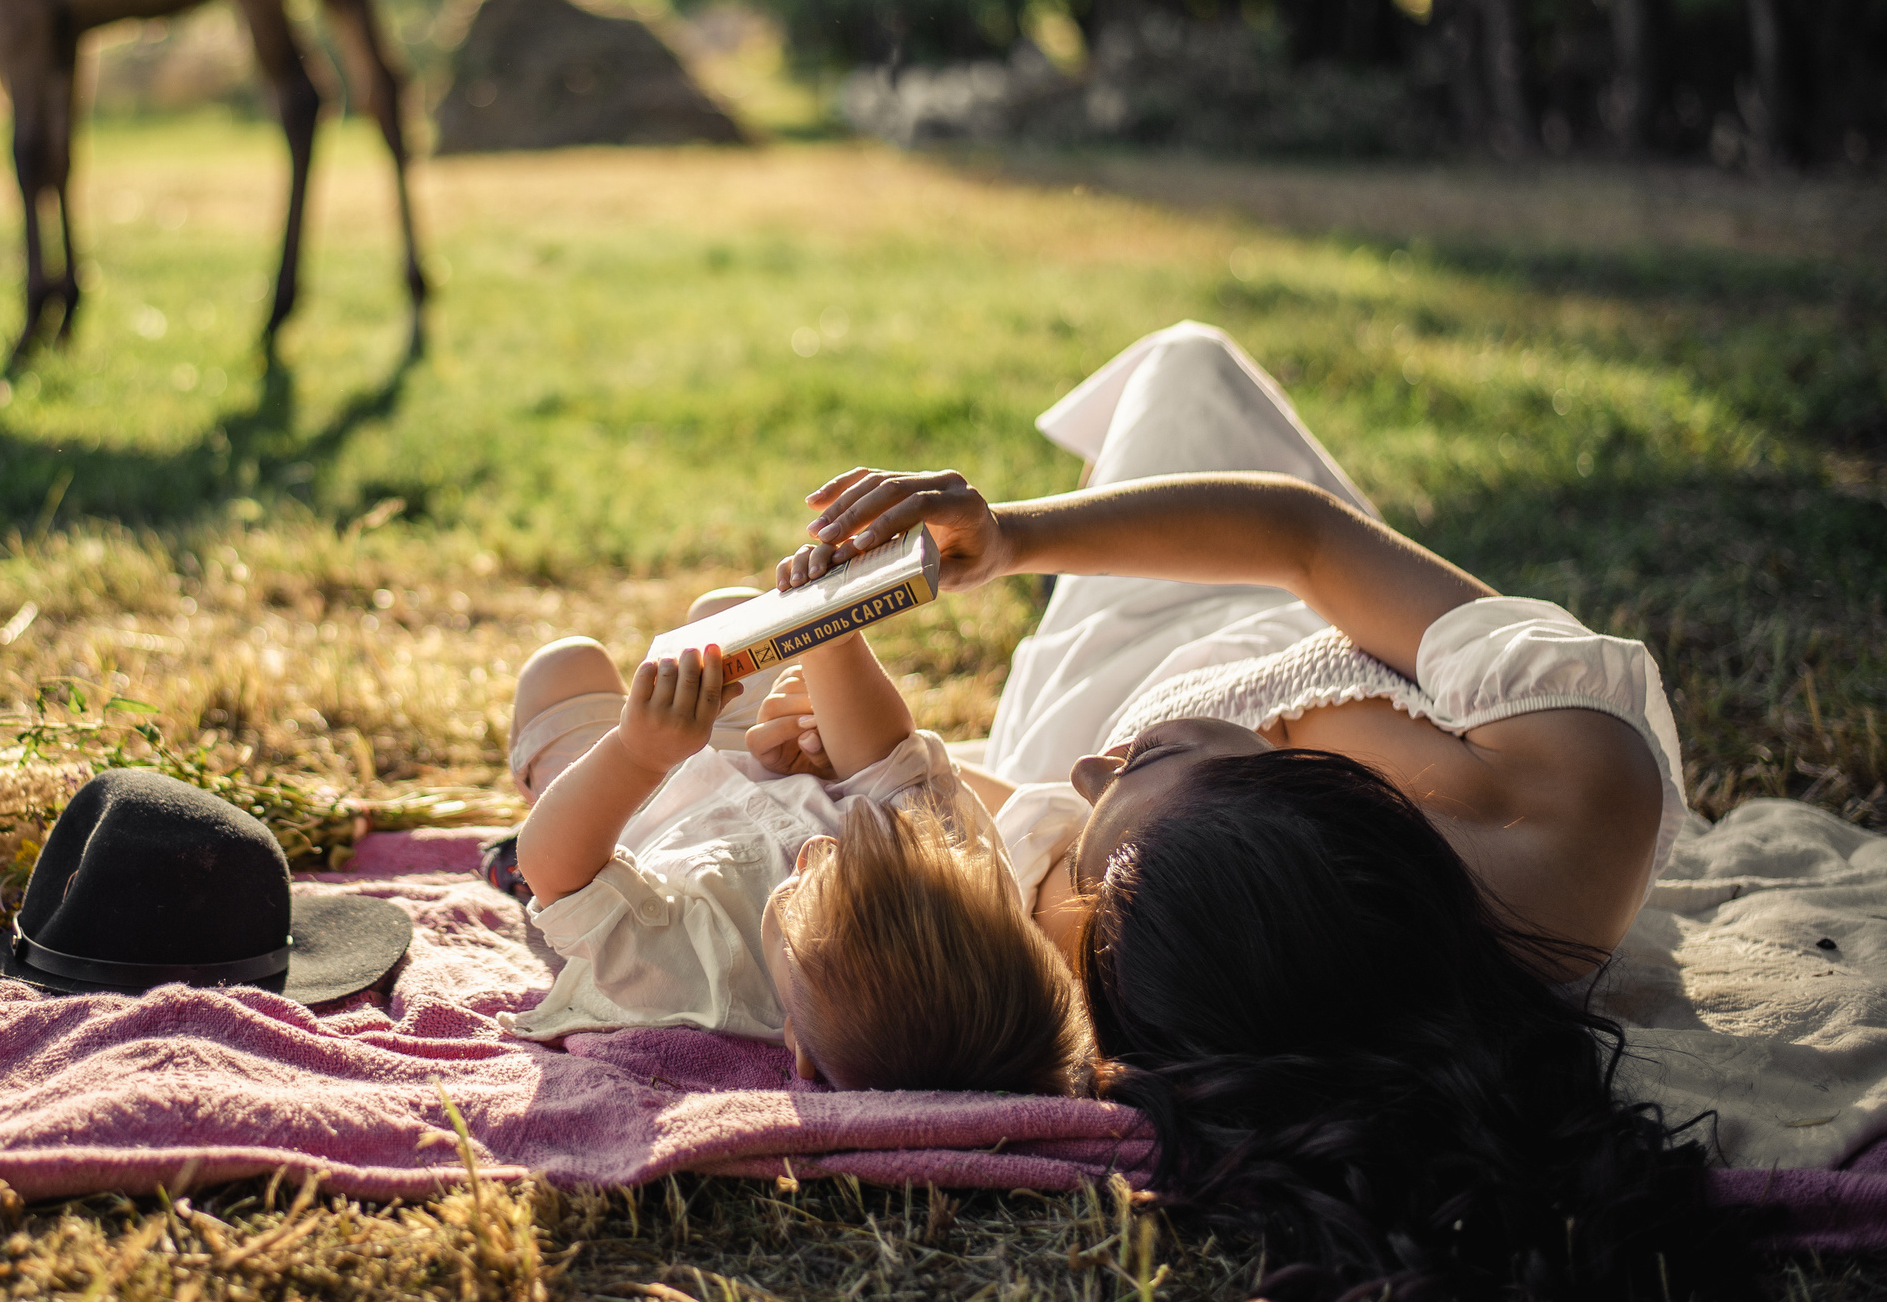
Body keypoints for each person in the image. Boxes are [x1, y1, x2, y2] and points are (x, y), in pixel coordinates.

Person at [783, 321, 1750, 1300]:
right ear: (1294, 793)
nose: (1085, 770)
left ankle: (1086, 609)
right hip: (1272, 593)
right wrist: (1015, 541)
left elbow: (1028, 826)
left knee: (1184, 368)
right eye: (1142, 758)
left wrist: (936, 715)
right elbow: (1304, 539)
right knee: (1188, 362)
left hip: (1104, 677)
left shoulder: (1168, 953)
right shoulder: (1568, 799)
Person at [498, 609, 1082, 1096]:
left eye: (804, 894)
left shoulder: (697, 982)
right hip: (770, 756)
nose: (815, 853)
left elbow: (557, 871)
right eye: (849, 859)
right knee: (730, 610)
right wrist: (829, 634)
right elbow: (889, 762)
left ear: (797, 1043)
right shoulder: (950, 877)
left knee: (564, 666)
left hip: (622, 800)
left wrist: (635, 752)